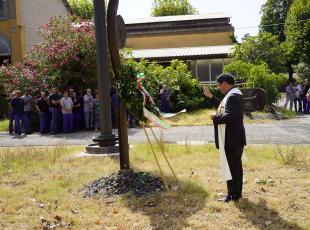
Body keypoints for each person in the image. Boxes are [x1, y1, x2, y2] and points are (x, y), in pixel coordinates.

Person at [203, 74, 246, 202]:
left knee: (232, 168)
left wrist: (214, 117)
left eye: (218, 84)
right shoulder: (234, 94)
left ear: (225, 83)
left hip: (231, 139)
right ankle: (235, 194)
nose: (218, 87)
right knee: (235, 168)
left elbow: (229, 116)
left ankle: (233, 195)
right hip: (235, 139)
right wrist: (211, 97)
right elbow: (223, 107)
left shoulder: (232, 96)